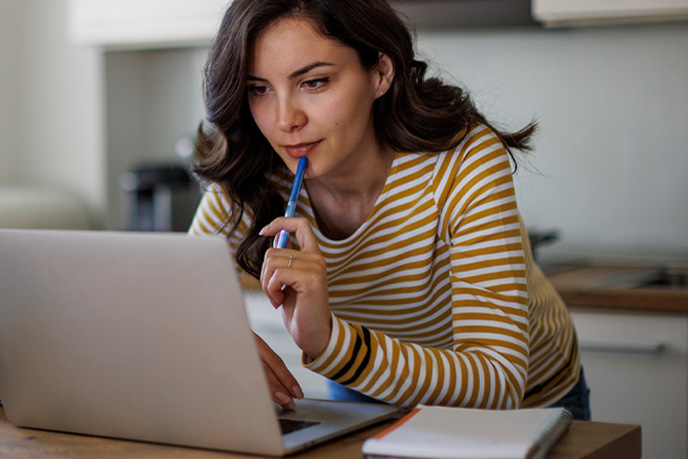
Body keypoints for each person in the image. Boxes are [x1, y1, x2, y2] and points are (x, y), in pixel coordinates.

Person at [188, 0, 590, 420]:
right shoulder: (254, 170)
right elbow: (180, 300)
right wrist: (216, 340)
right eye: (259, 89)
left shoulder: (462, 159)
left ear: (380, 72)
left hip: (523, 406)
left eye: (315, 82)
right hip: (365, 388)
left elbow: (499, 379)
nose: (285, 120)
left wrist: (328, 343)